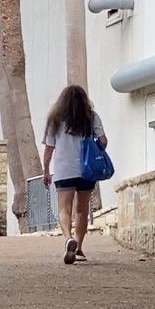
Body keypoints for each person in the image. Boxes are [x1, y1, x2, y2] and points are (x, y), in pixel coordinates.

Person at [42, 84, 107, 264]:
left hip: (64, 169)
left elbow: (49, 149)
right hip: (87, 170)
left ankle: (68, 238)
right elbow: (103, 141)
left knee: (65, 208)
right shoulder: (91, 117)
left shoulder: (55, 119)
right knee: (82, 210)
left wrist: (46, 171)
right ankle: (78, 248)